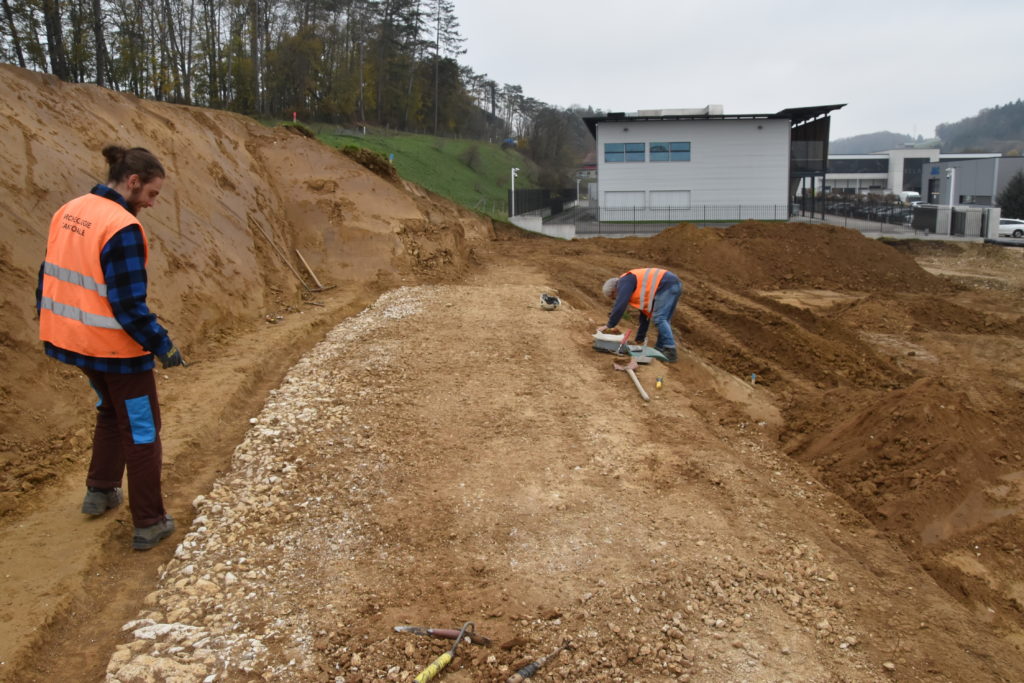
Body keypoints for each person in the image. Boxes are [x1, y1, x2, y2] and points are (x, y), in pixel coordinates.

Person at [37, 145, 185, 551]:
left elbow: (46, 276)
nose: (152, 204)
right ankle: (150, 522)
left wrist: (49, 324)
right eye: (152, 194)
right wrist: (162, 344)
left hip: (72, 342)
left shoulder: (69, 209)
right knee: (141, 432)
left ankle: (100, 492)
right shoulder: (122, 227)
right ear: (132, 181)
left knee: (109, 413)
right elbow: (128, 306)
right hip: (116, 352)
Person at [597, 268, 683, 363]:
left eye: (613, 297)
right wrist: (640, 338)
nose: (615, 299)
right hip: (672, 284)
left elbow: (620, 305)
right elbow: (644, 315)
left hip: (665, 284)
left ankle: (671, 350)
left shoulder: (624, 281)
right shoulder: (634, 288)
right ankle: (660, 349)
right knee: (664, 319)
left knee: (660, 318)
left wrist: (609, 325)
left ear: (614, 290)